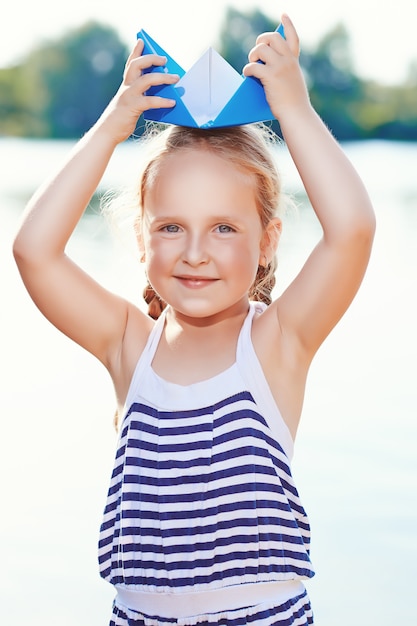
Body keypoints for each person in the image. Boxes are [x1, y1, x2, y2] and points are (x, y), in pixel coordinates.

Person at [13, 14, 375, 626]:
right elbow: (33, 251)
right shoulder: (129, 346)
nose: (195, 251)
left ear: (267, 243)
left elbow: (352, 231)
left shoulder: (275, 342)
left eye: (225, 228)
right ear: (141, 238)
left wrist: (295, 112)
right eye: (171, 226)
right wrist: (114, 124)